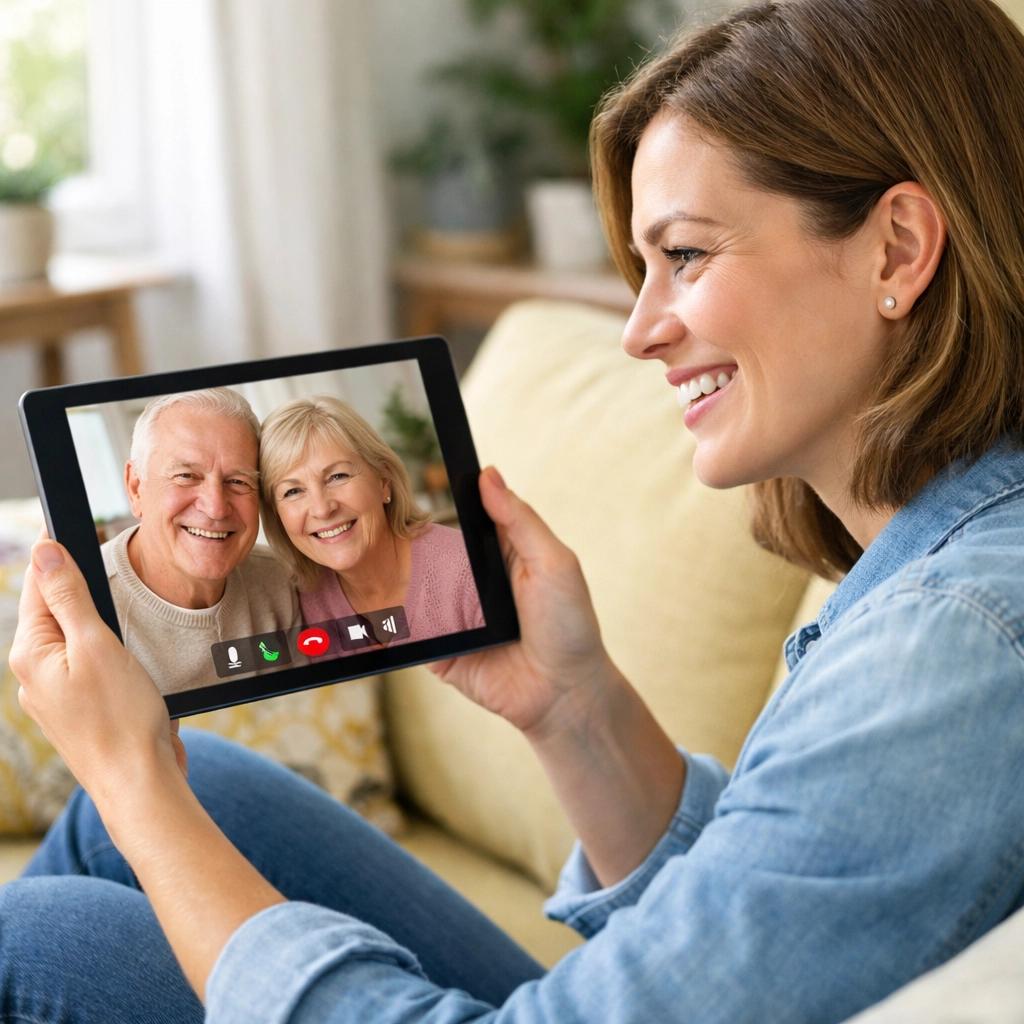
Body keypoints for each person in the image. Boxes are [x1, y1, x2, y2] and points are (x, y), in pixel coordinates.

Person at [4, 1, 1024, 1021]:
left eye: (686, 255)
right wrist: (572, 704)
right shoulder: (944, 580)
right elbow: (764, 916)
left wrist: (135, 775)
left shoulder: (953, 643)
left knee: (45, 931)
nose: (638, 332)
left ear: (895, 249)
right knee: (193, 785)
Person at [103, 388, 301, 693]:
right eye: (186, 476)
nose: (216, 507)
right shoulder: (87, 604)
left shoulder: (283, 584)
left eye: (238, 481)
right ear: (136, 488)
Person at [258, 395, 484, 652]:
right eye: (293, 492)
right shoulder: (296, 608)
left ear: (383, 480)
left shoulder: (470, 572)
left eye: (337, 476)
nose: (322, 509)